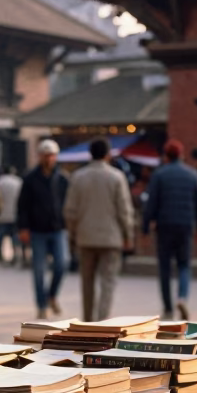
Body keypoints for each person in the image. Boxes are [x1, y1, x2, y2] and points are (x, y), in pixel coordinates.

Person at [64, 138, 135, 321]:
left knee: (87, 283)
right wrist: (128, 235)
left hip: (85, 237)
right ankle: (102, 322)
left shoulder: (78, 177)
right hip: (111, 238)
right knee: (108, 283)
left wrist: (72, 235)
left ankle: (87, 321)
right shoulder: (117, 177)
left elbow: (71, 211)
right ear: (108, 154)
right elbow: (124, 210)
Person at [142, 139, 197, 320]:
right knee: (184, 264)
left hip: (164, 226)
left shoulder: (159, 175)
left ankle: (168, 306)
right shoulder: (192, 175)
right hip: (185, 225)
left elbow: (151, 204)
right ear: (181, 155)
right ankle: (182, 297)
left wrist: (145, 228)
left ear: (166, 156)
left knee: (165, 267)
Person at [17, 138, 69, 319]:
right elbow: (22, 205)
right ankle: (41, 304)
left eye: (52, 155)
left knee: (62, 264)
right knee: (39, 270)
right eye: (46, 155)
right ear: (40, 156)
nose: (49, 159)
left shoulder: (62, 178)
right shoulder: (30, 179)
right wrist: (23, 227)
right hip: (37, 229)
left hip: (58, 228)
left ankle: (52, 295)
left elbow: (68, 203)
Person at [0, 165, 23, 265]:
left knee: (0, 237)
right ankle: (15, 255)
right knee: (14, 236)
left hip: (1, 215)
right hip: (15, 214)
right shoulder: (19, 182)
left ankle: (0, 256)